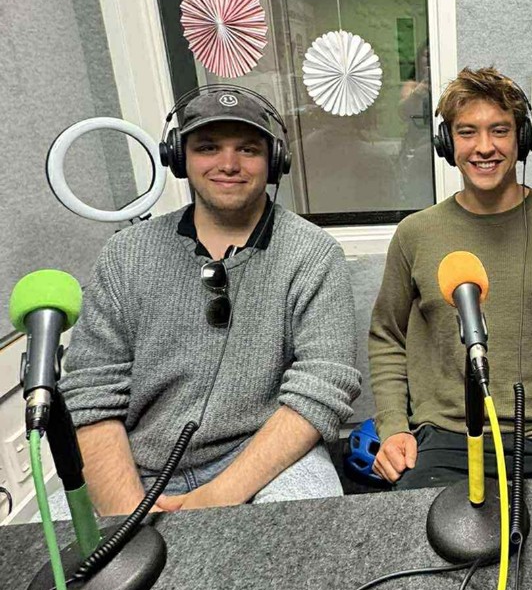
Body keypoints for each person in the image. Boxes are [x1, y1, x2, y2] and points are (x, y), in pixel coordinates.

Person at [61, 87, 361, 514]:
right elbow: (91, 392)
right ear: (179, 158)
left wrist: (214, 499)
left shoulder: (313, 254)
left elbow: (323, 386)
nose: (228, 164)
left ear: (274, 162)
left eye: (248, 149)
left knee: (308, 519)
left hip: (262, 460)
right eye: (207, 147)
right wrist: (127, 511)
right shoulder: (126, 253)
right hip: (138, 464)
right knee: (41, 551)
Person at [368, 66, 532, 489]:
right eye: (467, 132)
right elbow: (387, 337)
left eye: (499, 130)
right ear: (447, 143)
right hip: (446, 435)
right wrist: (394, 425)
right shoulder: (415, 233)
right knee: (423, 545)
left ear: (522, 139)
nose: (484, 147)